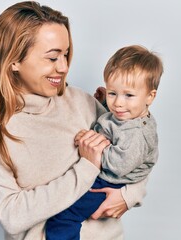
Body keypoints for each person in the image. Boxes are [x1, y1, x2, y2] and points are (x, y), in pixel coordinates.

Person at [0, 2, 147, 240]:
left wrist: (130, 196)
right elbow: (12, 215)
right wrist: (87, 167)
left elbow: (138, 147)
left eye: (66, 55)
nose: (64, 67)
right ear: (14, 60)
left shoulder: (81, 101)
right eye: (53, 57)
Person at [45, 45, 163, 240]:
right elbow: (114, 123)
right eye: (112, 93)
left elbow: (118, 165)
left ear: (150, 96)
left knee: (65, 217)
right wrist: (103, 104)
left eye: (128, 95)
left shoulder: (136, 133)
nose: (118, 103)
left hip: (109, 181)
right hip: (106, 176)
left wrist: (92, 145)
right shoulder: (129, 115)